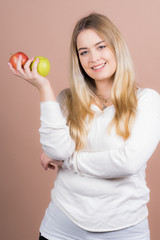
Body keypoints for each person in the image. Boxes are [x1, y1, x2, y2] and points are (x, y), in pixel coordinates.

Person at [8, 13, 160, 240]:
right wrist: (44, 88)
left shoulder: (147, 101)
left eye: (101, 47)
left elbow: (128, 162)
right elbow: (57, 151)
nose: (93, 58)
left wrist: (70, 161)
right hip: (61, 227)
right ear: (78, 59)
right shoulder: (66, 100)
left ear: (116, 47)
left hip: (123, 229)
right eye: (84, 52)